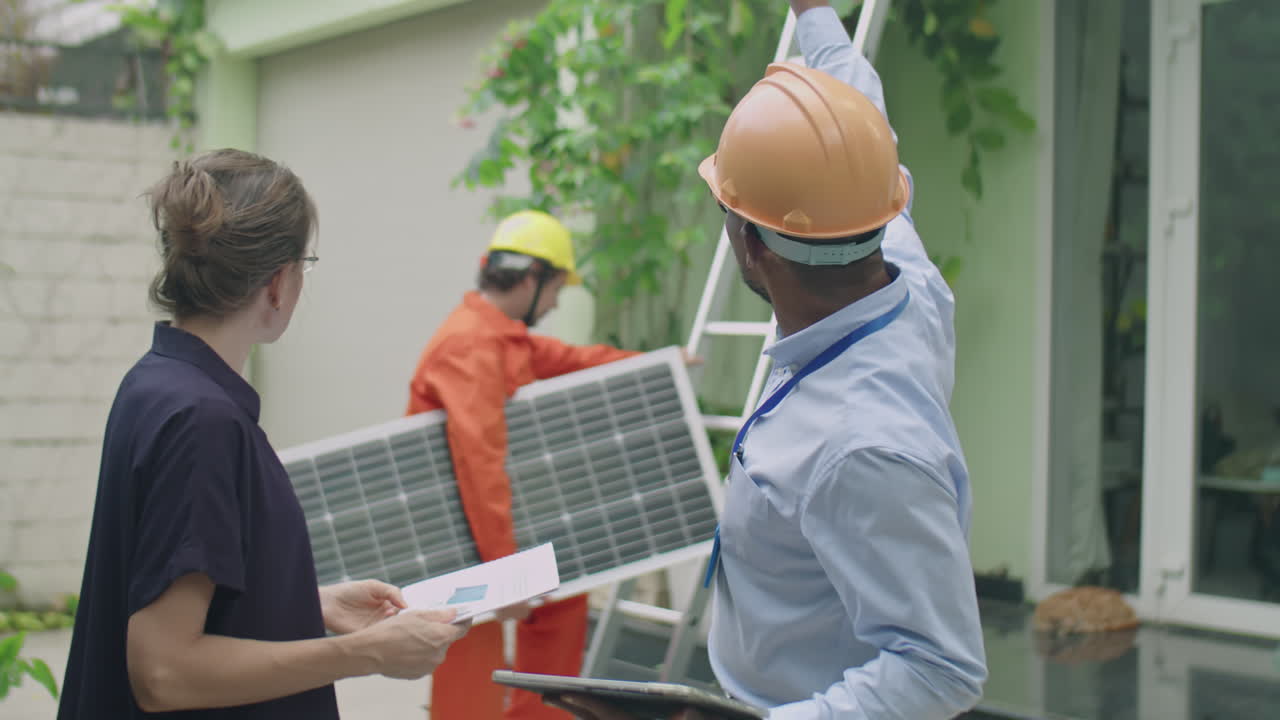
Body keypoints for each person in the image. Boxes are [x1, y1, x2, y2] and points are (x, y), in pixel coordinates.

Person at [549, 1, 987, 718]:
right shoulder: (898, 269)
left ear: (752, 248)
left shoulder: (862, 446)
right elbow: (860, 122)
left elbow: (941, 669)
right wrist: (816, 15)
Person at [57, 149, 468, 720]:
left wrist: (312, 605)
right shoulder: (202, 421)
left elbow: (169, 590)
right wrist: (362, 653)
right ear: (278, 283)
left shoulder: (158, 384)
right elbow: (164, 670)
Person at [406, 209, 650, 720]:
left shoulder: (497, 335)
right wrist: (507, 574)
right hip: (456, 539)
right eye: (558, 286)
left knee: (562, 602)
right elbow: (479, 463)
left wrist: (656, 364)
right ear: (534, 277)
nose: (559, 300)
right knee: (471, 667)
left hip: (485, 529)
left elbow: (567, 359)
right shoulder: (470, 346)